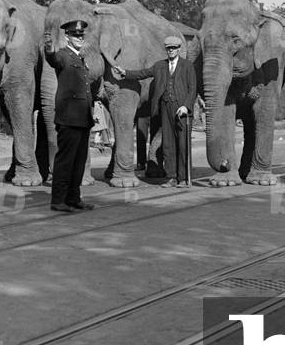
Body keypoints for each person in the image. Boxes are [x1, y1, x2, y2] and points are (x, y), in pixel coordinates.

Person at [113, 35, 197, 187]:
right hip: (165, 108)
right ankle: (172, 177)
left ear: (178, 49)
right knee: (168, 144)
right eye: (168, 48)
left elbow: (193, 88)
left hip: (182, 110)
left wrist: (186, 106)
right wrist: (125, 72)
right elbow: (143, 73)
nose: (171, 51)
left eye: (173, 48)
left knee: (183, 144)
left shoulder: (187, 66)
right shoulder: (160, 66)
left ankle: (184, 178)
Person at [44, 20, 97, 212]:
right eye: (76, 35)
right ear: (67, 37)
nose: (80, 38)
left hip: (82, 118)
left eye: (82, 35)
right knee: (65, 161)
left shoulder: (80, 58)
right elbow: (53, 60)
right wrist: (48, 50)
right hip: (69, 118)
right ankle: (58, 200)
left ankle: (74, 198)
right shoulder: (63, 55)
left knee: (78, 161)